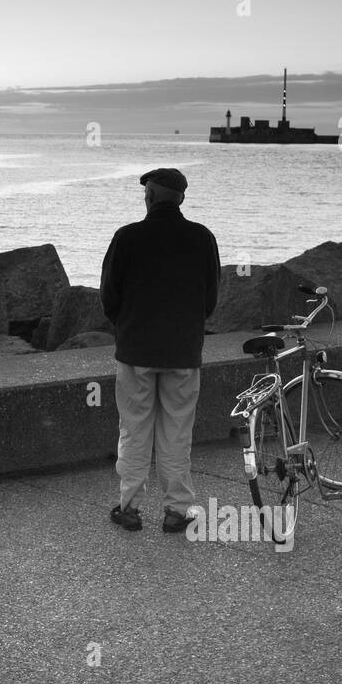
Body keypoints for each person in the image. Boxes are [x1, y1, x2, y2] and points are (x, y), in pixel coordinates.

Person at [100, 167, 220, 533]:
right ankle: (177, 509)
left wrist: (127, 327)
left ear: (149, 197)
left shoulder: (127, 237)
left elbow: (109, 296)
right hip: (182, 352)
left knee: (134, 429)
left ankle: (130, 506)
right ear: (181, 198)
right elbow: (210, 299)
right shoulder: (202, 238)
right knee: (177, 431)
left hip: (136, 351)